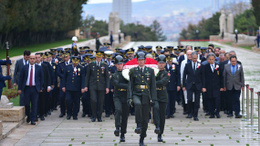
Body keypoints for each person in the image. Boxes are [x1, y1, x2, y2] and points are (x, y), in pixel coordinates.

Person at [128, 51, 157, 146]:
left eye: (142, 60)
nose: (141, 62)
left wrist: (153, 98)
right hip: (136, 94)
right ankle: (138, 124)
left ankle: (142, 137)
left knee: (145, 118)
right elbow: (130, 85)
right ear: (137, 61)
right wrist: (130, 97)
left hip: (146, 95)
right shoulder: (133, 71)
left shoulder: (150, 71)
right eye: (139, 60)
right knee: (137, 104)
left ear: (145, 61)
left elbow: (153, 86)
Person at [18, 54, 44, 125]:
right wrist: (19, 88)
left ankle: (33, 119)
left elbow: (41, 78)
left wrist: (41, 87)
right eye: (31, 58)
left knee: (34, 104)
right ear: (29, 59)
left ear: (35, 59)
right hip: (26, 88)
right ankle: (28, 116)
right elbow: (21, 78)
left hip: (35, 88)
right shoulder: (24, 67)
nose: (32, 60)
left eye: (33, 58)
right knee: (26, 104)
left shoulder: (39, 68)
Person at [85, 50, 110, 122]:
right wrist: (86, 86)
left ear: (102, 57)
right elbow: (87, 76)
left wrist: (107, 87)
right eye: (97, 57)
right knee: (93, 100)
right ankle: (94, 115)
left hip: (101, 86)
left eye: (100, 57)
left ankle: (99, 116)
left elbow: (107, 77)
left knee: (100, 102)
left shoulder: (104, 65)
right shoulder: (91, 64)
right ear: (95, 57)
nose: (98, 58)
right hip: (92, 85)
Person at [110, 55, 129, 142]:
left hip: (126, 96)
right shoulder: (114, 75)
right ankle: (117, 127)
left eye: (121, 64)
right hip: (117, 95)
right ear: (116, 65)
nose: (120, 65)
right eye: (118, 64)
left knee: (125, 116)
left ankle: (123, 134)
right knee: (118, 110)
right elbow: (116, 84)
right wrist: (127, 86)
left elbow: (131, 84)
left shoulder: (127, 74)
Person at [153, 54, 170, 142]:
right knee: (155, 109)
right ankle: (157, 126)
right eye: (160, 63)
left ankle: (160, 134)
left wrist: (153, 83)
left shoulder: (166, 73)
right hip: (155, 95)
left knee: (162, 115)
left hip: (163, 94)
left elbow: (163, 82)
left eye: (163, 63)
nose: (161, 65)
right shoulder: (154, 72)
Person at [183, 51, 203, 121]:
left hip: (198, 84)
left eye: (196, 58)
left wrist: (202, 86)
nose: (194, 60)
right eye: (193, 58)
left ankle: (195, 115)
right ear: (191, 58)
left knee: (197, 100)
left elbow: (202, 76)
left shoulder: (200, 65)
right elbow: (184, 75)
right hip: (189, 84)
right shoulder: (187, 65)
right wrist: (184, 85)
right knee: (189, 99)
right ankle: (189, 113)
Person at [202, 53, 223, 118]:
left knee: (217, 100)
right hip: (209, 87)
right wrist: (204, 87)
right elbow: (203, 77)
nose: (211, 61)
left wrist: (222, 86)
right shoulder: (205, 67)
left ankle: (217, 112)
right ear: (207, 60)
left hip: (217, 86)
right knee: (210, 100)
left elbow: (221, 77)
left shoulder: (218, 66)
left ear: (214, 59)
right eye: (210, 59)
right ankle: (211, 113)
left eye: (212, 59)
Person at [165, 54, 180, 119]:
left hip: (173, 85)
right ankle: (167, 113)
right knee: (167, 100)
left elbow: (178, 76)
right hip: (166, 86)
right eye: (168, 60)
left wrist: (178, 85)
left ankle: (171, 112)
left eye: (170, 60)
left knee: (172, 100)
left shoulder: (175, 65)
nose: (169, 62)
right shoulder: (164, 66)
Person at [57, 51, 71, 118]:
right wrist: (64, 76)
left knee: (69, 98)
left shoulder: (72, 63)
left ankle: (69, 111)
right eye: (64, 57)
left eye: (67, 57)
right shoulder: (60, 64)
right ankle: (62, 111)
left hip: (70, 82)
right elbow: (58, 72)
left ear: (69, 56)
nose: (65, 58)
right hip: (63, 82)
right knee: (61, 97)